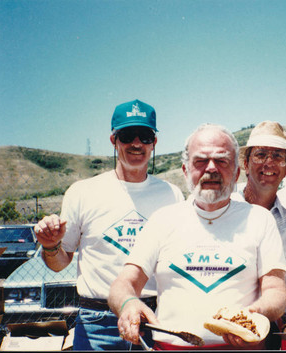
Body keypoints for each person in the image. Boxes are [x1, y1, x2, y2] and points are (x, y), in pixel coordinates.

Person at [108, 123, 286, 350]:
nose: (211, 169)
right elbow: (123, 283)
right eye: (200, 161)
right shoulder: (162, 220)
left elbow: (276, 291)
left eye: (222, 161)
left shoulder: (260, 220)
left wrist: (253, 314)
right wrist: (128, 303)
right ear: (185, 170)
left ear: (236, 173)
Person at [34, 99, 184, 350]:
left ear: (154, 142)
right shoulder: (83, 192)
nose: (136, 143)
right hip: (98, 324)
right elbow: (60, 263)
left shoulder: (172, 194)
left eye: (145, 136)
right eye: (127, 135)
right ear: (113, 140)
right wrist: (51, 246)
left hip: (155, 321)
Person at [232, 121, 286, 346]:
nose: (269, 163)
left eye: (278, 156)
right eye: (260, 154)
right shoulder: (221, 211)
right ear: (245, 164)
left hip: (264, 335)